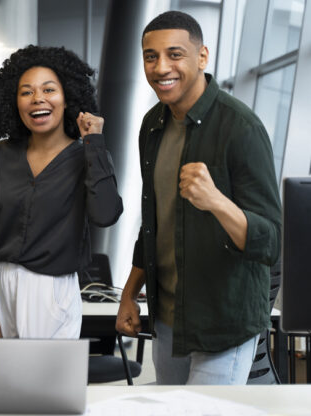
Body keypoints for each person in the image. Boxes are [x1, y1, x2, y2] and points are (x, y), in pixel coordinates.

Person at [115, 11, 282, 385]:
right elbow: (154, 225)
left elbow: (271, 242)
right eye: (150, 56)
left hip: (223, 321)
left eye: (175, 54)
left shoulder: (242, 128)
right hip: (169, 318)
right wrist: (129, 293)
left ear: (202, 57)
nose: (161, 68)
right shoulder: (152, 124)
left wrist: (217, 201)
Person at [0, 45, 123, 340]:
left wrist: (94, 143)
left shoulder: (88, 155)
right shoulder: (0, 155)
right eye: (26, 92)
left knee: (46, 386)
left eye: (49, 89)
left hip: (52, 290)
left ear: (67, 98)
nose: (37, 98)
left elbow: (105, 215)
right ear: (14, 102)